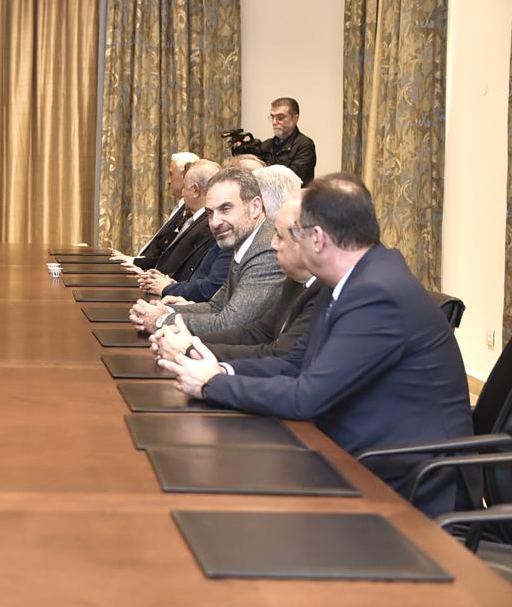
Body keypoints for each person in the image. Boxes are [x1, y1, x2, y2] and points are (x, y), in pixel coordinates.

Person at [157, 173, 475, 517]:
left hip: (407, 486)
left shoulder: (377, 294)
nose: (274, 245)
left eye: (283, 235)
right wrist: (218, 369)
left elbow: (307, 397)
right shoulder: (346, 280)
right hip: (357, 455)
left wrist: (212, 384)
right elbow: (293, 363)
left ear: (318, 239)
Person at [153, 191, 324, 362]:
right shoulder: (295, 281)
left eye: (279, 236)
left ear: (314, 240)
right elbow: (259, 332)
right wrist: (191, 342)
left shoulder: (322, 292)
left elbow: (280, 356)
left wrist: (188, 348)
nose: (273, 243)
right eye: (210, 213)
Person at [131, 167, 283, 336]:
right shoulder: (245, 240)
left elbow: (229, 324)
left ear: (255, 207)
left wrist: (161, 321)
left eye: (225, 209)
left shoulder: (266, 249)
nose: (215, 222)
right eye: (210, 213)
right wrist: (167, 310)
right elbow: (216, 306)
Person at [127, 159, 223, 293]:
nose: (182, 193)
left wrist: (169, 286)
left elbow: (198, 278)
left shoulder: (209, 225)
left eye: (185, 188)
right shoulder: (196, 219)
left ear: (195, 190)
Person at [111, 152, 198, 268]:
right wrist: (132, 259)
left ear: (185, 176)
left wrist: (132, 261)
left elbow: (171, 257)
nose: (168, 181)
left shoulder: (191, 212)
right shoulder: (181, 207)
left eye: (171, 174)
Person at [256, 97, 316, 182]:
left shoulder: (305, 145)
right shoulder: (266, 145)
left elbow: (295, 178)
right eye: (272, 117)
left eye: (280, 118)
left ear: (295, 118)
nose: (274, 122)